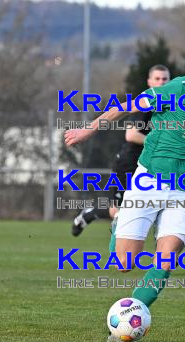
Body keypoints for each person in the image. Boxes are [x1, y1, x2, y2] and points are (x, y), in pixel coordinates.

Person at [64, 45, 185, 341]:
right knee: (122, 264)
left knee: (167, 258)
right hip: (148, 181)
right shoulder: (177, 88)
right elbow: (127, 106)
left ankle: (127, 322)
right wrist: (91, 128)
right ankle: (117, 220)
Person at [71, 65, 171, 237]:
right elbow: (131, 135)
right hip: (129, 164)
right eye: (157, 79)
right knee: (121, 212)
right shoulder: (145, 103)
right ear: (149, 82)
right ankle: (91, 215)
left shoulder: (169, 104)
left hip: (151, 166)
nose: (161, 82)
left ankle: (91, 214)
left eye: (164, 79)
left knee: (142, 209)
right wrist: (159, 144)